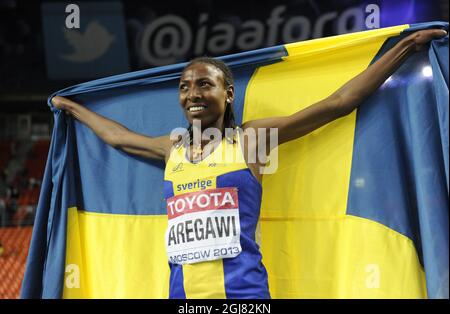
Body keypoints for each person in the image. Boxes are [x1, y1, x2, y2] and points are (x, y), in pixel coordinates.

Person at [51, 29, 447, 299]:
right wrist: (71, 108)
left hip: (244, 295)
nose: (193, 93)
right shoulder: (172, 149)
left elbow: (335, 105)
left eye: (204, 83)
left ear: (228, 92)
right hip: (183, 294)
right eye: (185, 85)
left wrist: (405, 48)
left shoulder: (251, 140)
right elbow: (118, 137)